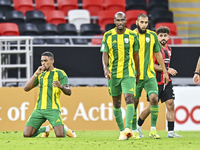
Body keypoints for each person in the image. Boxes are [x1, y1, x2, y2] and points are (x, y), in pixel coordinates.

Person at [136, 26, 182, 138]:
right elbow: (151, 65)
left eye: (165, 35)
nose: (163, 38)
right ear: (157, 37)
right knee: (150, 107)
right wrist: (166, 69)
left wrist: (166, 72)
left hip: (166, 81)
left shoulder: (169, 49)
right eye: (160, 35)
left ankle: (171, 132)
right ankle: (138, 127)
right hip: (154, 81)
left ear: (168, 37)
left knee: (170, 104)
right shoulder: (153, 49)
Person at [100, 11, 140, 140]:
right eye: (118, 20)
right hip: (113, 74)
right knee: (116, 103)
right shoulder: (108, 35)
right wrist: (105, 69)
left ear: (126, 21)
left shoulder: (133, 35)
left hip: (128, 73)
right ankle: (122, 130)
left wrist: (138, 72)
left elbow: (136, 55)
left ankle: (128, 129)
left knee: (129, 98)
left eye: (122, 20)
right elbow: (104, 54)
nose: (120, 22)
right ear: (114, 21)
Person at [131, 14, 169, 139]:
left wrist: (165, 72)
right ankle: (135, 130)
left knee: (153, 98)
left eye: (146, 22)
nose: (144, 25)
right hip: (134, 76)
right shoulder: (130, 36)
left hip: (149, 75)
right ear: (137, 22)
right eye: (141, 22)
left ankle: (153, 129)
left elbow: (158, 54)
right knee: (134, 103)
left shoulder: (152, 35)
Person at [23, 51, 73, 138]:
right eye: (42, 61)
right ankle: (46, 129)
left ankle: (66, 129)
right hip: (39, 109)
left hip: (53, 109)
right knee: (27, 134)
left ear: (52, 61)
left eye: (45, 61)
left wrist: (61, 86)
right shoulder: (40, 74)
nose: (43, 63)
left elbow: (69, 92)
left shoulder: (60, 73)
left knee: (60, 135)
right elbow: (26, 88)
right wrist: (35, 74)